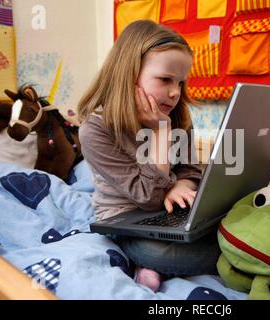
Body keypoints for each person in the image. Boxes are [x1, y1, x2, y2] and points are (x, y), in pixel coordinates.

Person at [77, 20, 220, 292]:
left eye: (180, 82)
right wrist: (160, 131)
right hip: (125, 218)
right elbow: (147, 197)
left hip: (171, 211)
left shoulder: (180, 118)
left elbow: (191, 171)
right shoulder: (95, 130)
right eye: (165, 79)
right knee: (160, 254)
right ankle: (241, 258)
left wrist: (182, 184)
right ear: (127, 75)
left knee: (225, 220)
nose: (176, 91)